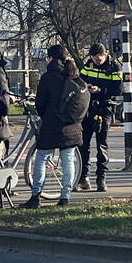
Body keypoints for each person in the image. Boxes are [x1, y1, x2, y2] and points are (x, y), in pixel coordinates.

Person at [22, 45, 83, 208]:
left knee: (41, 158)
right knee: (68, 160)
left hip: (51, 125)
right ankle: (65, 197)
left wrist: (45, 115)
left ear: (50, 58)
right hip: (71, 125)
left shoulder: (49, 77)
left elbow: (40, 103)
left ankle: (36, 197)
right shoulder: (74, 75)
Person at [77, 42, 122, 192]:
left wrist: (100, 90)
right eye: (94, 57)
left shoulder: (114, 67)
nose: (97, 60)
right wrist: (86, 88)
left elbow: (118, 89)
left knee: (102, 144)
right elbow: (79, 82)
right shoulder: (87, 65)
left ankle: (101, 178)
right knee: (84, 144)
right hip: (89, 108)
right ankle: (84, 177)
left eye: (100, 58)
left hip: (105, 108)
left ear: (105, 54)